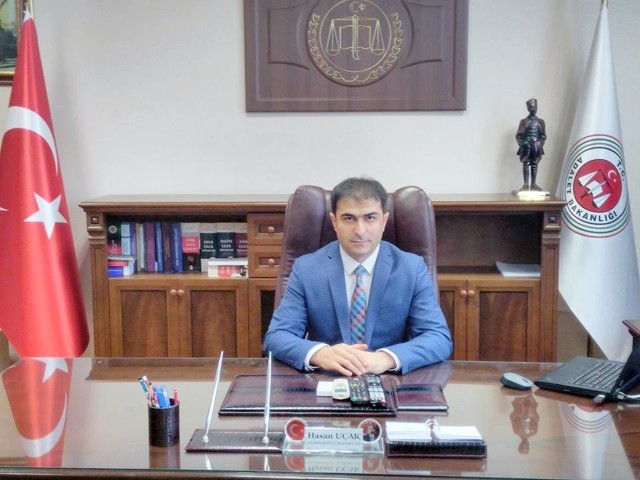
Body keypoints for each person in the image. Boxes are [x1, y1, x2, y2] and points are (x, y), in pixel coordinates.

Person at [263, 177, 452, 376]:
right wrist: (320, 353)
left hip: (388, 380)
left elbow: (437, 337)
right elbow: (277, 336)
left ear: (383, 221)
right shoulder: (306, 268)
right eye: (349, 218)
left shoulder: (411, 268)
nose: (360, 231)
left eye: (370, 218)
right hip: (327, 381)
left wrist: (386, 358)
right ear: (334, 222)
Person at [516, 98, 546, 191]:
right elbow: (518, 135)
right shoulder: (523, 122)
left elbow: (543, 135)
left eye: (535, 107)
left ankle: (533, 184)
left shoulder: (541, 121)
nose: (533, 109)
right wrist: (523, 143)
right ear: (528, 109)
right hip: (526, 146)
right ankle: (525, 184)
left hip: (536, 147)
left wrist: (540, 143)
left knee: (534, 164)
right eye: (531, 108)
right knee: (526, 164)